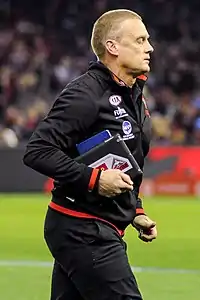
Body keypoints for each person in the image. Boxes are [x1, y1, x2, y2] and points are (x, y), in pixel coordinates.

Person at [23, 9, 157, 300]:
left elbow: (122, 159)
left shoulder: (133, 93)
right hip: (82, 227)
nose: (150, 47)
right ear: (112, 47)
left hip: (96, 225)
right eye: (140, 40)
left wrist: (135, 209)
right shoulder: (85, 93)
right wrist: (95, 179)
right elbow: (37, 151)